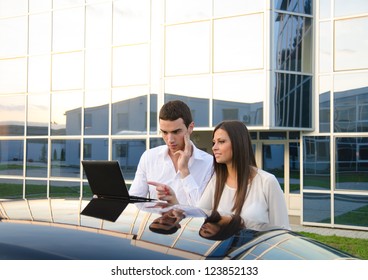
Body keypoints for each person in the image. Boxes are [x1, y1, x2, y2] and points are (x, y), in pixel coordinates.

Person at [197, 120, 290, 231]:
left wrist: (234, 222)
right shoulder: (216, 182)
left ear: (238, 143)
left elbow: (282, 230)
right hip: (224, 248)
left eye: (221, 142)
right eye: (214, 142)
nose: (214, 147)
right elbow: (198, 218)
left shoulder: (267, 182)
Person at [129, 100, 213, 206]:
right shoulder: (149, 157)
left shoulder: (209, 163)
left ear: (190, 128)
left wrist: (184, 171)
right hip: (155, 222)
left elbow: (203, 210)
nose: (170, 140)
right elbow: (134, 202)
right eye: (164, 132)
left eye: (176, 132)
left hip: (191, 223)